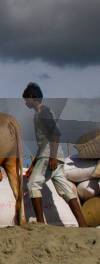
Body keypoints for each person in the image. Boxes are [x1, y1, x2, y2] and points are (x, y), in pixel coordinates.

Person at [22, 82, 87, 226]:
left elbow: (55, 135)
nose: (25, 102)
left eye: (26, 99)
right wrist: (33, 164)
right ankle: (82, 224)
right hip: (52, 156)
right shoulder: (39, 114)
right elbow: (43, 142)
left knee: (33, 185)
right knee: (65, 190)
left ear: (32, 97)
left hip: (49, 156)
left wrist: (52, 157)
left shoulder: (44, 112)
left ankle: (40, 223)